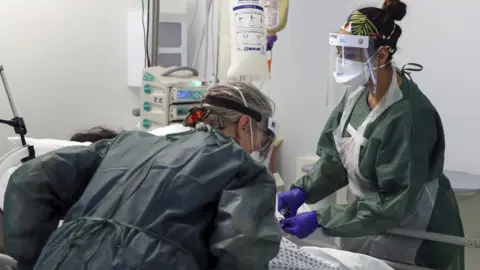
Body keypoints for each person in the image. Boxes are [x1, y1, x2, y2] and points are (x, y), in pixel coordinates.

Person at [2, 82, 281, 270]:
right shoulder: (240, 165)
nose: (257, 149)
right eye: (261, 138)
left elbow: (32, 178)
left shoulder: (126, 143)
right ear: (244, 125)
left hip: (59, 258)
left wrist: (30, 261)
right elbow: (243, 247)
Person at [277, 1, 464, 269]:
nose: (342, 59)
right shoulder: (356, 96)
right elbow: (336, 157)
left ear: (383, 55)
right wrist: (303, 191)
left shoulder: (408, 116)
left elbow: (394, 201)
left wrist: (321, 219)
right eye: (340, 49)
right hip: (372, 220)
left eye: (351, 52)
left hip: (414, 231)